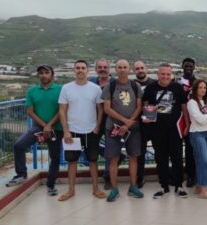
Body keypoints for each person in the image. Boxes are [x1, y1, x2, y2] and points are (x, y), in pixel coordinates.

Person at [9, 64, 62, 196]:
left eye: (46, 72)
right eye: (41, 73)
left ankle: (51, 185)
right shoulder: (32, 91)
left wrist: (50, 125)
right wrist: (45, 125)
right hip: (39, 127)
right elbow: (30, 111)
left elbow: (62, 110)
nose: (43, 75)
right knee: (19, 146)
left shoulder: (61, 89)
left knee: (54, 157)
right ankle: (21, 174)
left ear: (52, 74)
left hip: (57, 127)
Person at [57, 60, 105, 201]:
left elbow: (100, 110)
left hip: (91, 131)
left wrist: (97, 126)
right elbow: (62, 111)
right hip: (72, 132)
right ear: (74, 70)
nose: (80, 70)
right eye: (77, 68)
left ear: (87, 71)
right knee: (72, 161)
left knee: (93, 160)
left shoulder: (95, 88)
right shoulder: (66, 88)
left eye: (83, 68)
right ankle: (71, 190)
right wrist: (66, 131)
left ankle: (95, 189)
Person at [141, 62, 189, 199]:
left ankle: (179, 186)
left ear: (171, 75)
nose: (165, 76)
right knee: (160, 159)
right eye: (163, 74)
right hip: (157, 130)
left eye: (168, 74)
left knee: (177, 158)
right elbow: (145, 105)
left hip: (175, 130)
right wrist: (145, 117)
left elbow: (184, 108)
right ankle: (164, 186)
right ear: (158, 74)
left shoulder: (177, 88)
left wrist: (187, 126)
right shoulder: (150, 88)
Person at [101, 59, 144, 202]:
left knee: (133, 156)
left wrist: (128, 123)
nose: (122, 69)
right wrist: (125, 122)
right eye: (119, 67)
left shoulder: (135, 85)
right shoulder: (110, 86)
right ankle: (114, 189)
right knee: (113, 158)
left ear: (129, 69)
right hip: (113, 127)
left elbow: (139, 106)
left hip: (133, 128)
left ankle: (133, 186)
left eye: (125, 67)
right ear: (115, 69)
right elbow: (107, 108)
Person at [187, 79, 207, 199]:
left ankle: (200, 186)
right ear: (195, 89)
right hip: (197, 134)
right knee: (203, 160)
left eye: (204, 87)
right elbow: (199, 119)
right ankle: (203, 188)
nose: (203, 90)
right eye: (200, 87)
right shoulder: (192, 102)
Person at [88, 58, 115, 190]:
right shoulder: (91, 82)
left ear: (109, 68)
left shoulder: (115, 82)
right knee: (90, 146)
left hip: (111, 120)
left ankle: (107, 178)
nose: (102, 69)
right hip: (93, 120)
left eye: (105, 67)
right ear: (95, 69)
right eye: (100, 67)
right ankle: (118, 157)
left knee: (110, 149)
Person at [134, 60, 156, 188]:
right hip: (138, 123)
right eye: (137, 68)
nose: (140, 70)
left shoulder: (154, 83)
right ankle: (140, 177)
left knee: (160, 150)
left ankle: (164, 174)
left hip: (154, 122)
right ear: (134, 71)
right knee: (140, 153)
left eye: (142, 68)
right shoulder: (132, 84)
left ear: (146, 69)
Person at [177, 57, 197, 187]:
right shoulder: (177, 82)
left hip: (193, 119)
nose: (188, 68)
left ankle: (191, 175)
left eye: (190, 66)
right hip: (178, 119)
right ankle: (178, 174)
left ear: (194, 67)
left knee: (190, 149)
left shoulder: (197, 82)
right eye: (186, 66)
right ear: (182, 67)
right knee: (177, 149)